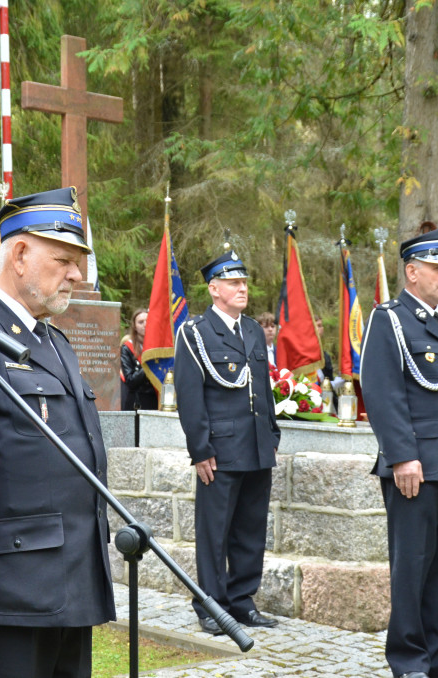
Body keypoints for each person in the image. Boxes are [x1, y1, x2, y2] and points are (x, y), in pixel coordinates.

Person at [0, 187, 115, 678]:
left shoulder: (55, 341)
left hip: (71, 587)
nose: (77, 274)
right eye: (63, 260)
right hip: (4, 599)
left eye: (78, 262)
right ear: (18, 255)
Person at [361, 227, 438, 678]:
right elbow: (382, 391)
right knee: (413, 565)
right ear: (412, 272)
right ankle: (409, 658)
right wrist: (401, 455)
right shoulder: (390, 319)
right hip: (416, 463)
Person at [174, 249, 281, 635]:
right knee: (214, 532)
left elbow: (262, 390)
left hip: (255, 447)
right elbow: (190, 396)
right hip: (220, 451)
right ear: (214, 288)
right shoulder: (195, 332)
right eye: (234, 283)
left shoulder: (252, 329)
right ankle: (211, 605)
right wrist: (200, 450)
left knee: (251, 529)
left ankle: (242, 601)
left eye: (244, 282)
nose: (242, 288)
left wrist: (272, 437)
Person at [120, 307, 157, 410]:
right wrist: (148, 365)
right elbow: (130, 380)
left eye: (148, 321)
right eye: (141, 322)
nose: (145, 324)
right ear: (135, 326)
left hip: (155, 400)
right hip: (137, 402)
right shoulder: (127, 348)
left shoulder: (158, 348)